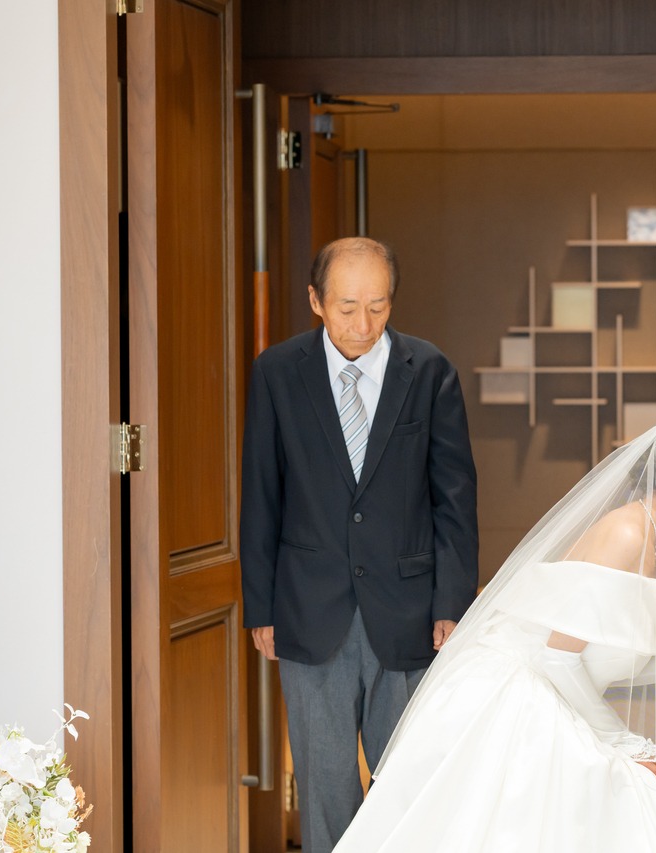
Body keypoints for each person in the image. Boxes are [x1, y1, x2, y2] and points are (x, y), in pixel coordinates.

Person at [334, 405, 656, 852]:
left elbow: (605, 660)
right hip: (521, 698)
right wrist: (627, 743)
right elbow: (557, 656)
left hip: (563, 691)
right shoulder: (626, 534)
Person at [240, 237, 479, 852]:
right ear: (316, 300)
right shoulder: (276, 372)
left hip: (410, 611)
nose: (363, 324)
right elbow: (262, 493)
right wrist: (261, 608)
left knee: (408, 782)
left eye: (378, 306)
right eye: (347, 307)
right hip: (307, 609)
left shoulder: (428, 371)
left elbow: (454, 497)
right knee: (325, 787)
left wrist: (452, 601)